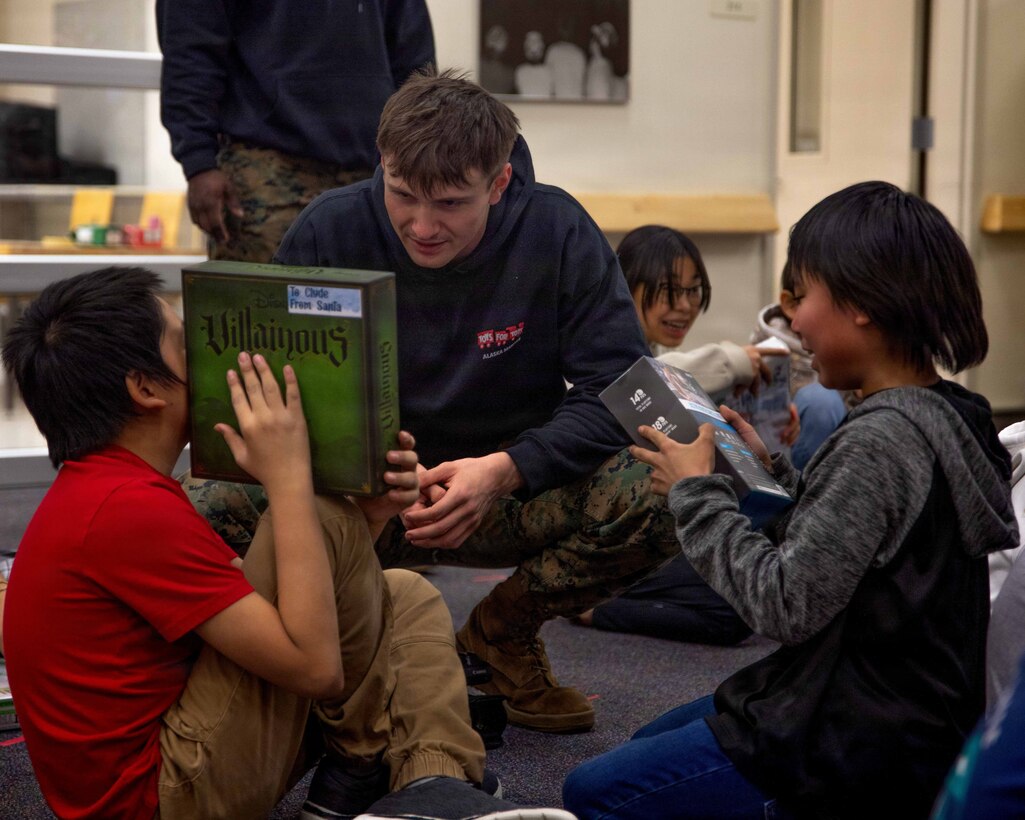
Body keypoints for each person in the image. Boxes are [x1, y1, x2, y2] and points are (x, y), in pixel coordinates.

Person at [187, 69, 679, 735]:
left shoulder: (556, 230)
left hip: (505, 491)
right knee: (200, 507)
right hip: (359, 496)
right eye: (401, 194)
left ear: (498, 184)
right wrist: (359, 486)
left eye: (450, 204)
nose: (421, 226)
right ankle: (329, 648)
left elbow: (622, 392)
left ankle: (501, 634)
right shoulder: (329, 228)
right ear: (381, 166)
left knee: (666, 488)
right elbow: (273, 389)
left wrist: (506, 467)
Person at [0, 267, 572, 820]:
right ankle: (361, 765)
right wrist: (291, 479)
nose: (210, 358)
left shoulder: (117, 489)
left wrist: (367, 517)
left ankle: (434, 783)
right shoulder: (124, 510)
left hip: (186, 752)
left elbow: (329, 617)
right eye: (186, 344)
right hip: (164, 796)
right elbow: (316, 668)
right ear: (145, 387)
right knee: (318, 511)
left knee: (402, 594)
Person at [562, 181, 1019, 819]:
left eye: (804, 296)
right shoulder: (953, 411)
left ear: (861, 303)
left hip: (853, 738)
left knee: (592, 793)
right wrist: (767, 472)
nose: (795, 320)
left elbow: (784, 606)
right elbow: (874, 548)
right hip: (894, 708)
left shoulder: (881, 440)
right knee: (646, 741)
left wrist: (696, 493)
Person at [575, 224, 796, 645]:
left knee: (758, 557)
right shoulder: (596, 352)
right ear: (624, 285)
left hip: (661, 526)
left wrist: (770, 428)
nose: (684, 306)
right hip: (607, 542)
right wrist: (732, 358)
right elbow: (638, 381)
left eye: (694, 291)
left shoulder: (662, 356)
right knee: (731, 605)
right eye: (667, 291)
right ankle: (593, 607)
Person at [157, 0, 435, 262]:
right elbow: (190, 53)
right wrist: (198, 162)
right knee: (265, 306)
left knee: (370, 308)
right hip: (266, 170)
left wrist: (417, 153)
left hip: (374, 170)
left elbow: (413, 56)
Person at [751, 259, 852, 469]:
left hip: (844, 466)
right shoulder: (766, 352)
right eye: (835, 300)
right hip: (781, 468)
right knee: (821, 400)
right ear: (790, 305)